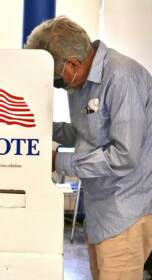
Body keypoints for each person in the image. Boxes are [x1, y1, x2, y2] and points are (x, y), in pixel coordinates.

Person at [25, 16, 152, 280]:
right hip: (98, 212)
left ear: (72, 63)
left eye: (57, 81)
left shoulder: (122, 78)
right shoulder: (81, 83)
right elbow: (84, 132)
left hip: (124, 213)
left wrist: (59, 161)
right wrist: (41, 128)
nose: (60, 88)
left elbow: (124, 156)